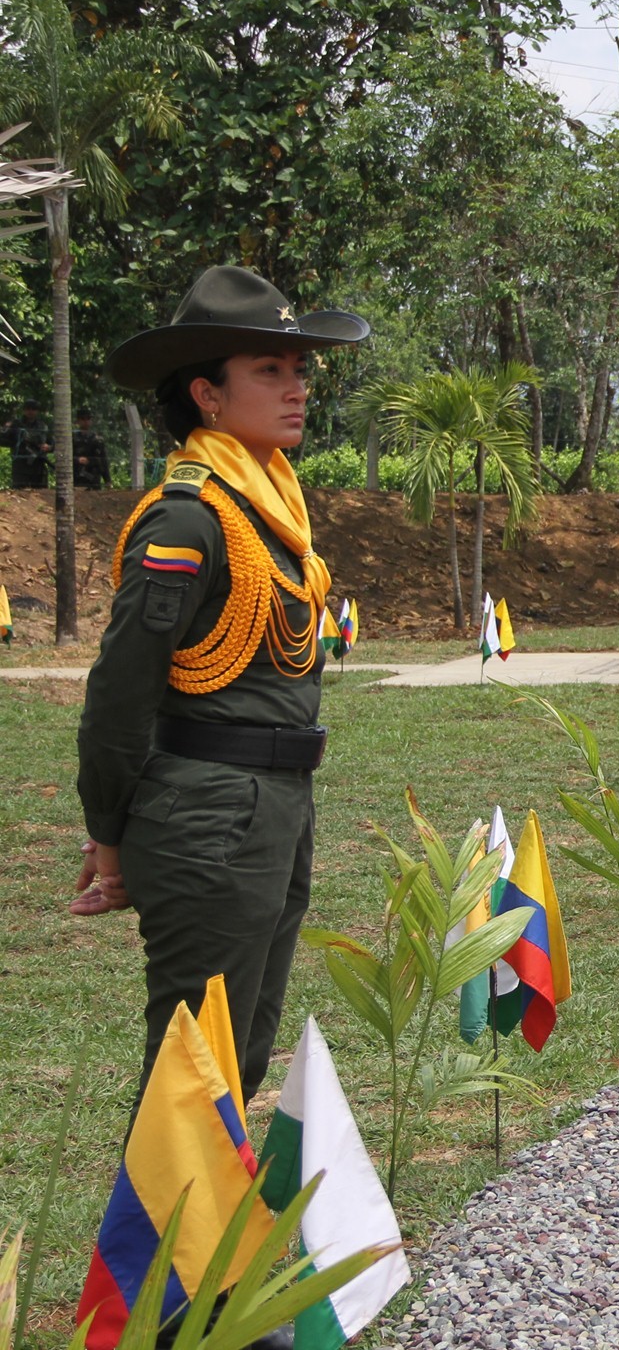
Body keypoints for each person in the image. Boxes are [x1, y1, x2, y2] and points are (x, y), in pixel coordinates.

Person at [75, 265, 368, 1107]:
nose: (296, 389)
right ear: (206, 393)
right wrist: (109, 831)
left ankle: (211, 1239)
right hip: (209, 808)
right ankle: (161, 1241)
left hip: (273, 801)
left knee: (236, 1058)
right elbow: (120, 692)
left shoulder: (269, 508)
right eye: (268, 372)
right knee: (191, 1070)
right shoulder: (189, 516)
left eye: (299, 370)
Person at [10, 403, 52, 489]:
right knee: (20, 493)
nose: (31, 411)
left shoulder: (42, 426)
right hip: (21, 466)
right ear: (24, 410)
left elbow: (52, 442)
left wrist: (48, 447)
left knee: (41, 493)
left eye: (33, 409)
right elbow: (6, 440)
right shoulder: (16, 424)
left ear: (37, 411)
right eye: (28, 409)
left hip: (38, 465)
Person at [74, 408, 110, 489]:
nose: (86, 421)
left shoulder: (97, 440)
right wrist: (78, 460)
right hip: (77, 478)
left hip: (93, 479)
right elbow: (65, 458)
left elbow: (103, 460)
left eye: (88, 419)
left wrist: (107, 480)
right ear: (78, 421)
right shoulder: (72, 439)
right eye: (83, 419)